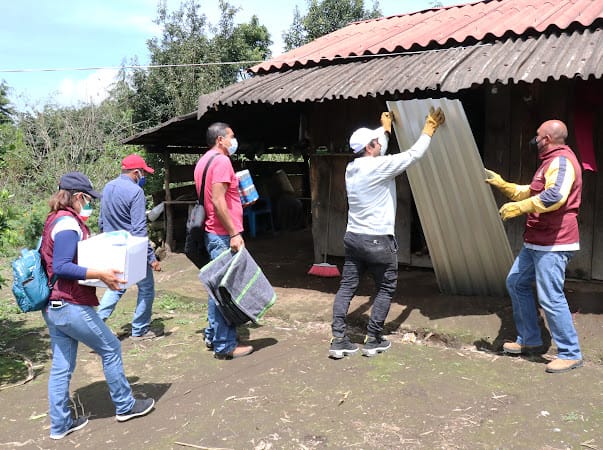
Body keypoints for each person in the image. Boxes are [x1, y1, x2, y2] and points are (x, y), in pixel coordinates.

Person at [40, 172, 155, 440]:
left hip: (54, 306)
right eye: (88, 199)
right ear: (78, 197)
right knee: (111, 348)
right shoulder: (68, 224)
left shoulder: (53, 219)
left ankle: (60, 425)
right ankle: (125, 406)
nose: (89, 204)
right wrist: (100, 274)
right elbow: (62, 266)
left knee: (61, 366)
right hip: (70, 306)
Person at [329, 107, 446, 359]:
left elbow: (378, 146)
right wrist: (428, 130)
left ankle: (339, 339)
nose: (380, 143)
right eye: (377, 141)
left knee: (347, 287)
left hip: (353, 238)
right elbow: (413, 155)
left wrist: (385, 130)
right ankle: (373, 339)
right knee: (384, 288)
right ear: (370, 147)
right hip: (378, 241)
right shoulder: (380, 166)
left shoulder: (352, 168)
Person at [485, 119, 583, 374]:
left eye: (537, 135)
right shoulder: (548, 163)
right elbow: (533, 191)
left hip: (554, 241)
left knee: (551, 296)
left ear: (547, 139)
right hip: (537, 240)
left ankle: (570, 352)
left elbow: (554, 197)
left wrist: (519, 208)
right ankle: (530, 339)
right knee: (516, 283)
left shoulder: (562, 161)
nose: (534, 139)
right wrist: (505, 186)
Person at [194, 122, 254, 359]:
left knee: (217, 287)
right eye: (231, 137)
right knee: (223, 291)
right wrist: (234, 233)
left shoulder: (204, 161)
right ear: (220, 139)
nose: (233, 141)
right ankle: (224, 345)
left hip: (214, 231)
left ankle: (212, 334)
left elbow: (215, 199)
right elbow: (218, 202)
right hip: (222, 234)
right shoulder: (221, 161)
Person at [97, 154, 162, 340]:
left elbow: (101, 221)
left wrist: (105, 241)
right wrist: (151, 257)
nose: (143, 177)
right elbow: (139, 229)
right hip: (132, 248)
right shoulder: (136, 192)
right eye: (143, 173)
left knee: (116, 286)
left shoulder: (108, 187)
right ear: (136, 172)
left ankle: (97, 323)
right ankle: (140, 330)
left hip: (113, 246)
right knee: (146, 287)